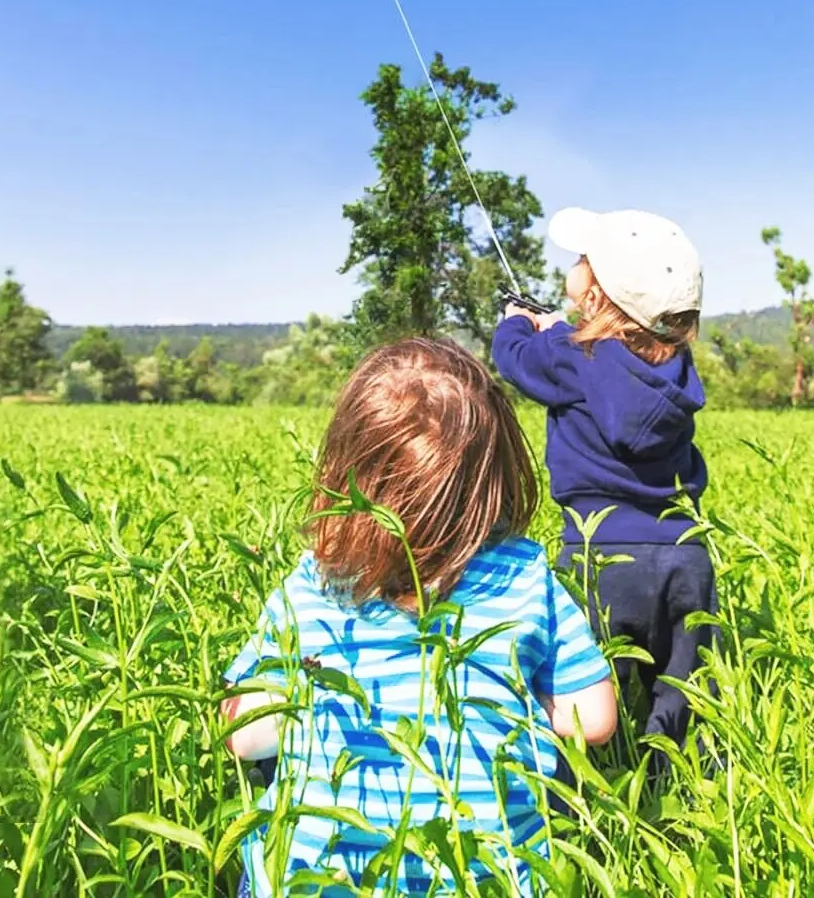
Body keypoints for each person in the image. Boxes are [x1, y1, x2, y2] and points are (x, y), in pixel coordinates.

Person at [222, 338, 616, 898]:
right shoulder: (525, 578)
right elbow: (593, 719)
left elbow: (246, 736)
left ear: (345, 473)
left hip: (318, 882)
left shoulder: (313, 585)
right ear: (493, 478)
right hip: (488, 880)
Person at [492, 208, 715, 779]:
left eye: (583, 260)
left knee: (580, 694)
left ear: (595, 298)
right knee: (682, 695)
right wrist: (560, 331)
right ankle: (681, 792)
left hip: (598, 552)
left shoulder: (572, 353)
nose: (576, 263)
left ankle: (580, 798)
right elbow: (620, 360)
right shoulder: (679, 368)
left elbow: (513, 360)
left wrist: (516, 321)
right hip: (684, 553)